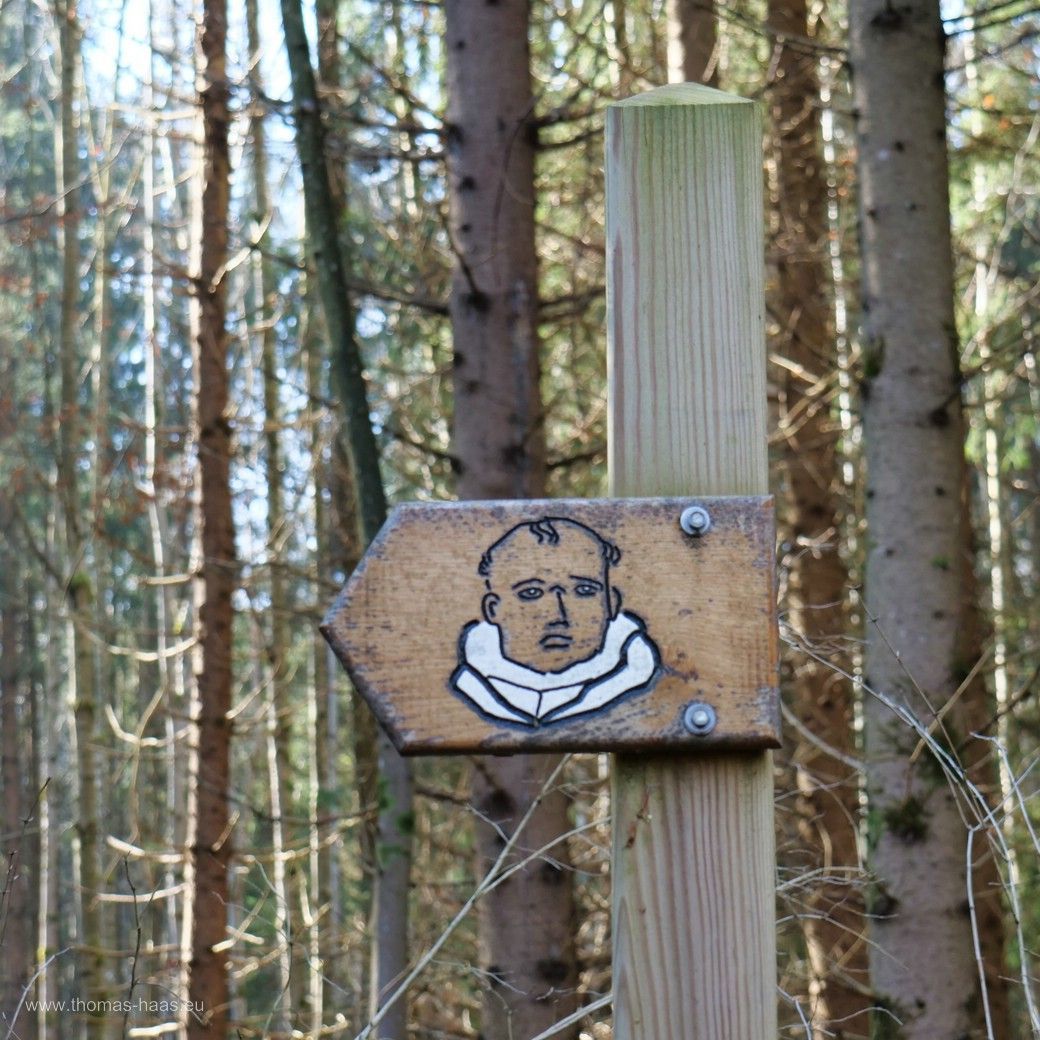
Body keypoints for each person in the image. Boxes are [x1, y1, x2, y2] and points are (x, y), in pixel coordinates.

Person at [451, 517, 660, 727]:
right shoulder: (469, 685)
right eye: (531, 593)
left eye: (584, 591)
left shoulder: (635, 675)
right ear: (492, 609)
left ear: (611, 604)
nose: (558, 615)